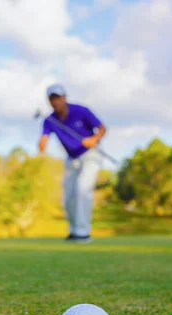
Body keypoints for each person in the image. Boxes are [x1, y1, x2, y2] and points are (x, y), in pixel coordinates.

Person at [38, 84, 107, 243]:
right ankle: (74, 230)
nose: (56, 102)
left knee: (82, 188)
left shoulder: (81, 111)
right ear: (49, 101)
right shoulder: (50, 120)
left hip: (91, 154)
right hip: (72, 159)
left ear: (65, 97)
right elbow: (44, 139)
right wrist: (42, 145)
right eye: (52, 99)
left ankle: (83, 233)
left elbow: (102, 128)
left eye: (58, 97)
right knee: (68, 197)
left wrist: (94, 139)